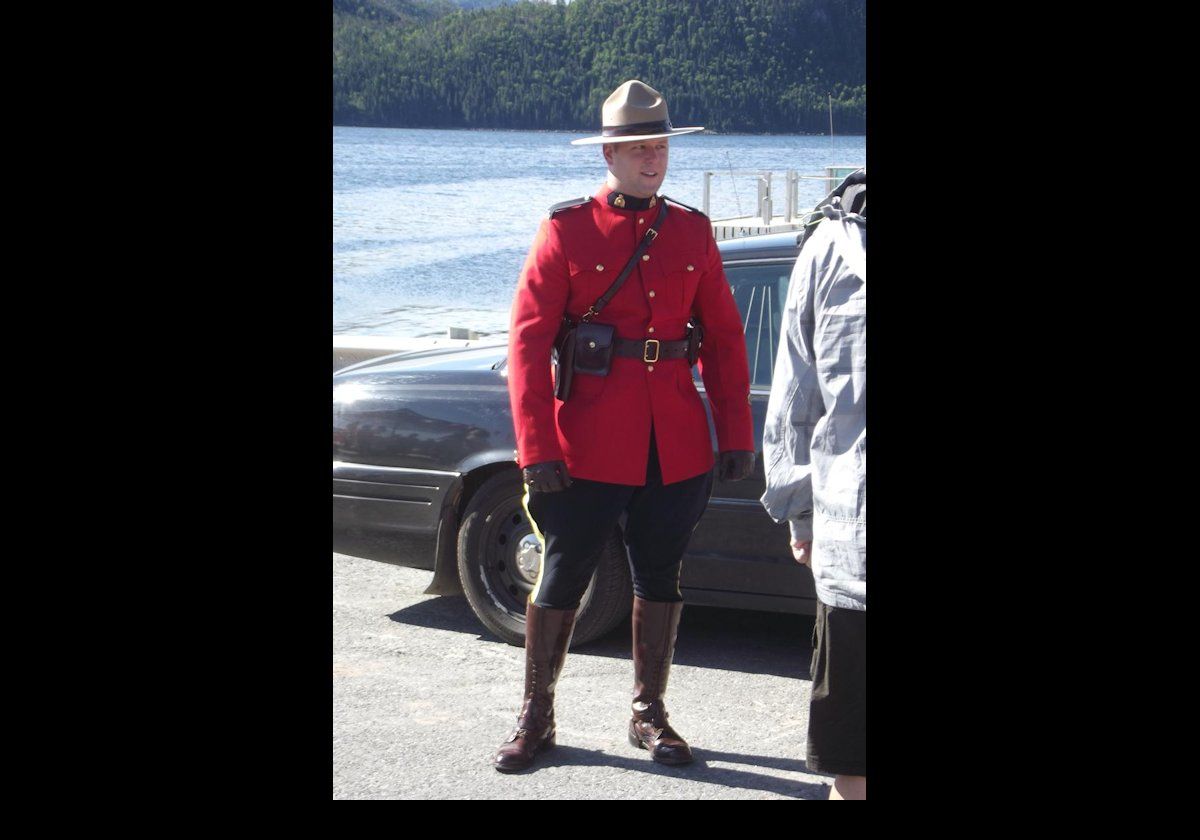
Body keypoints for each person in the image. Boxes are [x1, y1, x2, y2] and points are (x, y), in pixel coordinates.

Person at [495, 79, 756, 772]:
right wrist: (536, 447)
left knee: (660, 576)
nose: (653, 159)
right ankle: (536, 716)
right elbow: (525, 343)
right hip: (583, 441)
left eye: (660, 145)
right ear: (610, 156)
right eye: (638, 147)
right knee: (562, 576)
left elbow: (726, 340)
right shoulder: (567, 229)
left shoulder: (693, 230)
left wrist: (734, 434)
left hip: (675, 441)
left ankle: (649, 713)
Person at [760, 170, 866, 800]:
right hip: (854, 552)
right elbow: (793, 398)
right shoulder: (830, 248)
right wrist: (801, 511)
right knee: (852, 759)